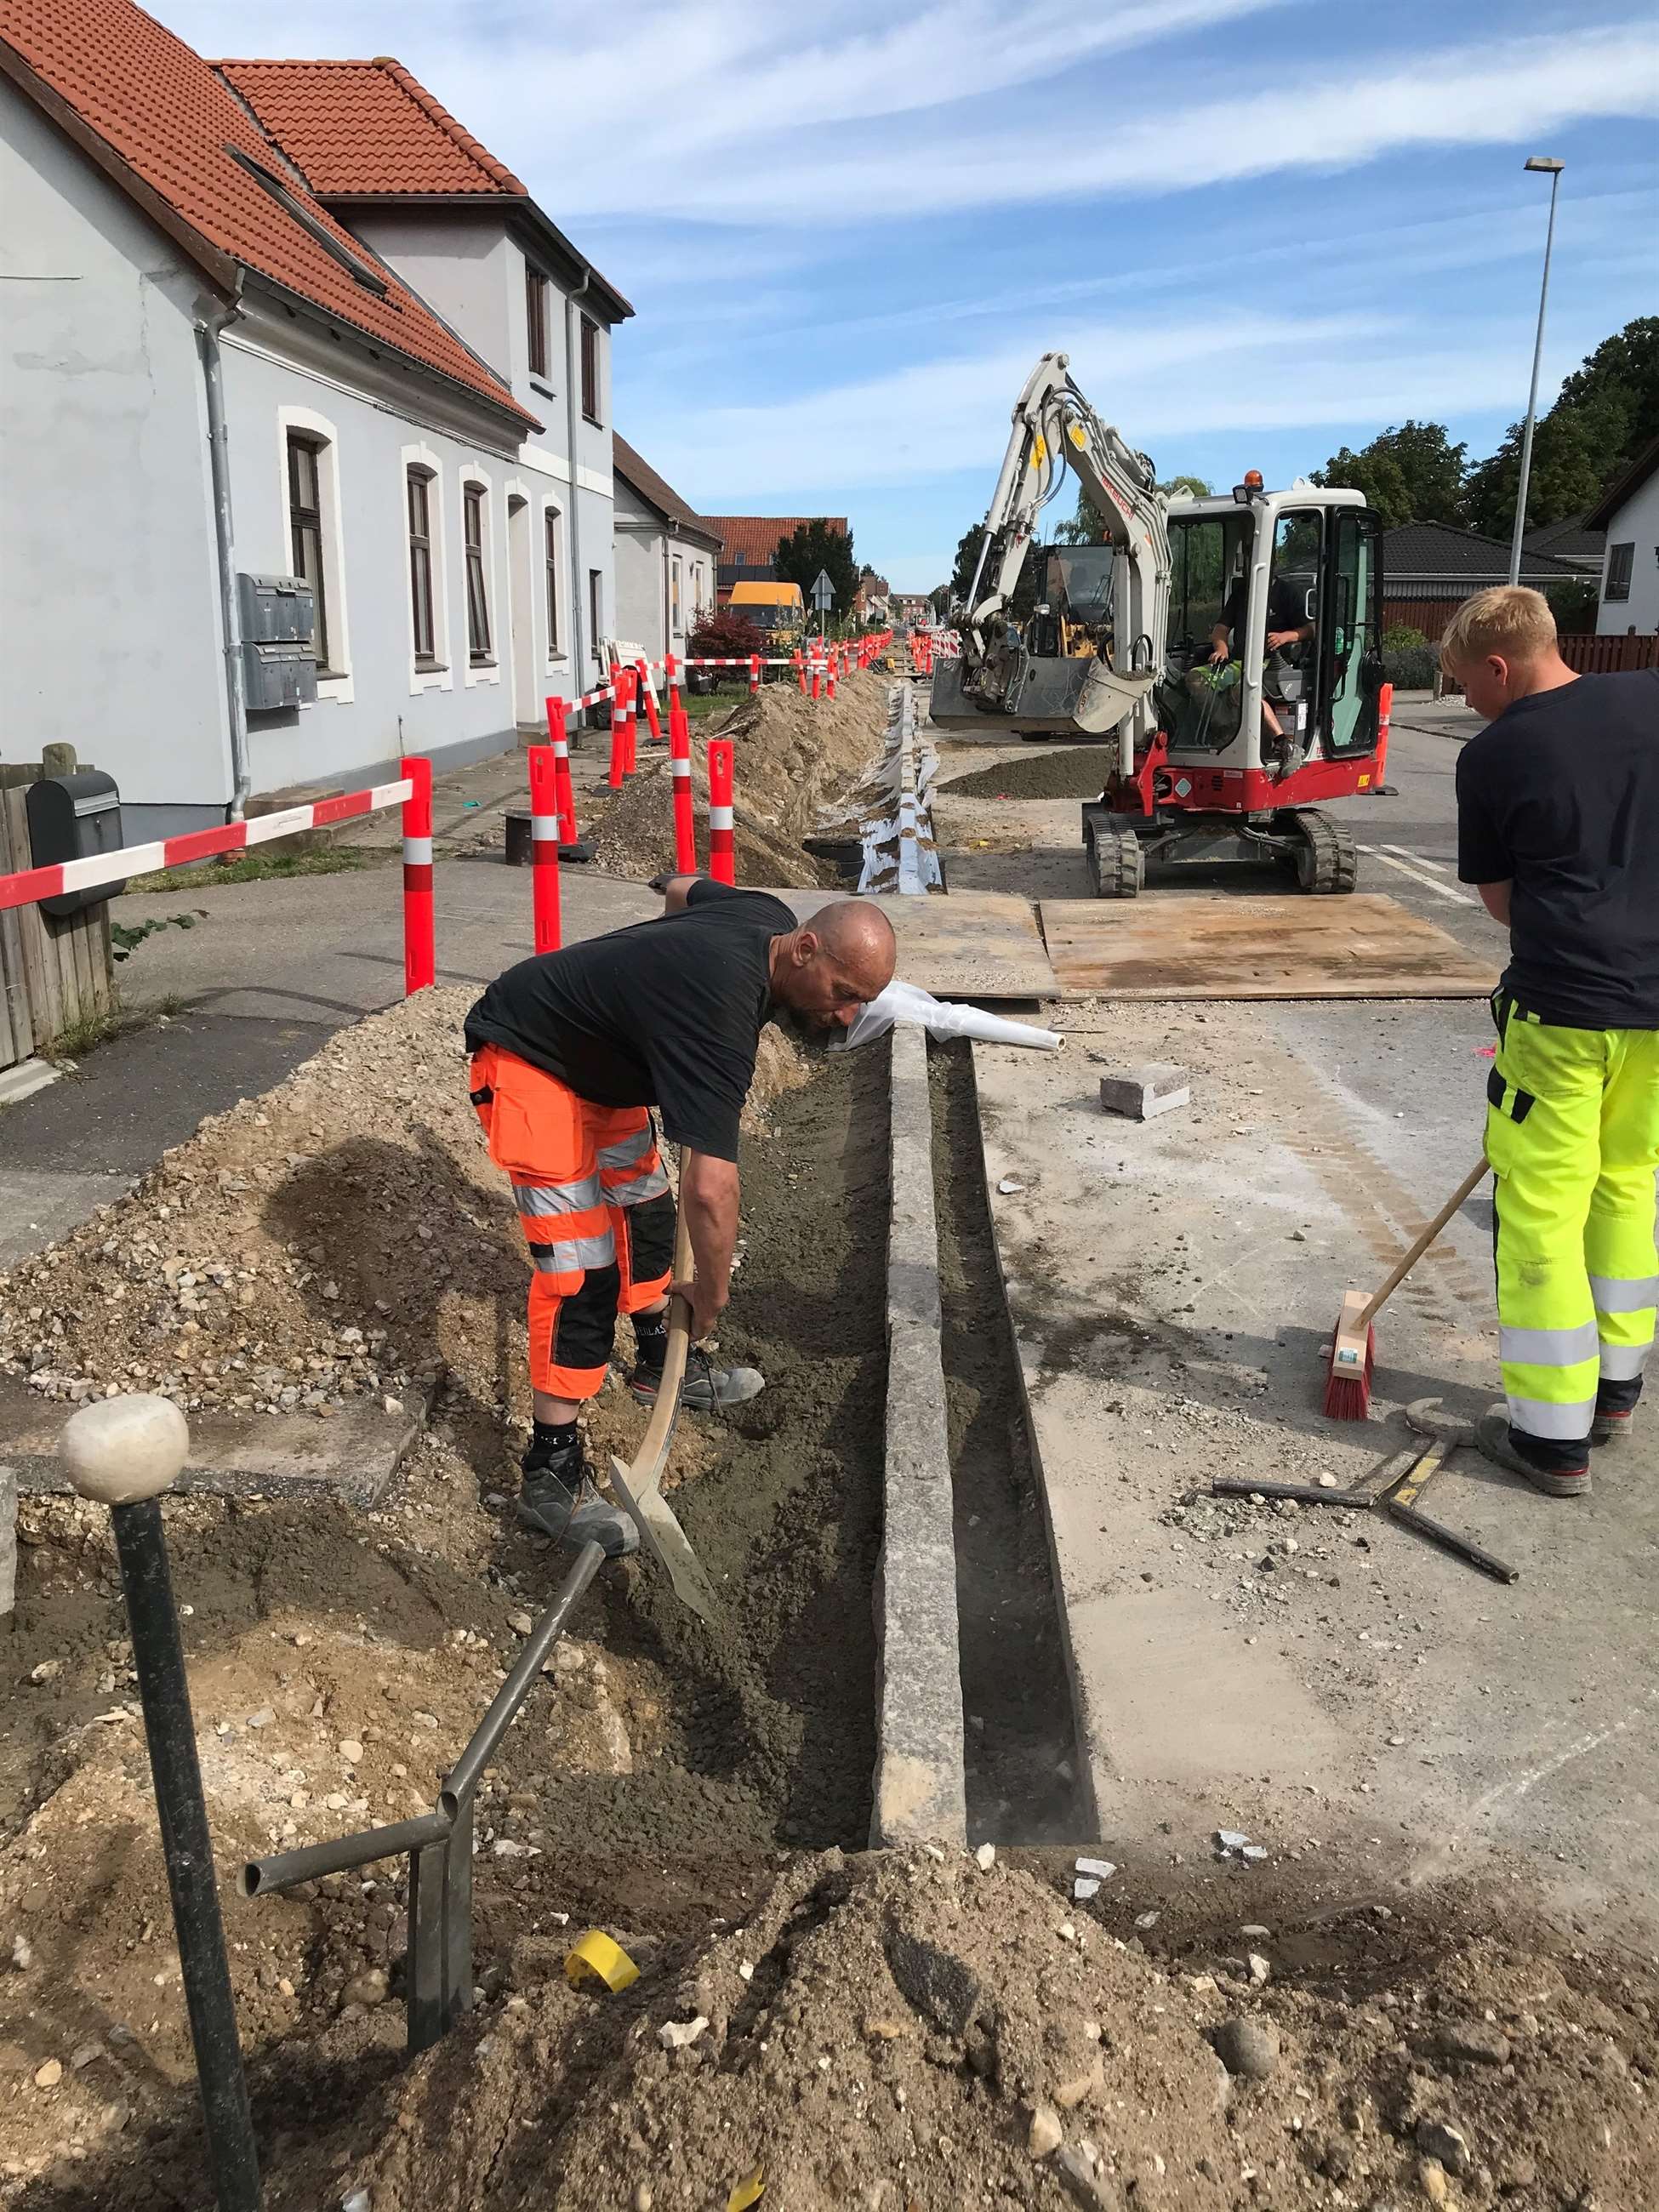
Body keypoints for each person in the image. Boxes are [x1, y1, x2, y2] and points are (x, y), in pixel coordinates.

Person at [464, 881, 897, 1554]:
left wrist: (650, 987)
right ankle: (549, 1471)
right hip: (530, 1058)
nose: (844, 1017)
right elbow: (712, 1189)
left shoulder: (767, 918)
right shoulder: (719, 1015)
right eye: (843, 993)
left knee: (647, 1217)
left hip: (604, 1063)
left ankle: (655, 1365)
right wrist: (713, 1297)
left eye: (860, 1004)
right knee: (582, 1272)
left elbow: (681, 889)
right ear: (805, 950)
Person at [1448, 585, 1659, 1498]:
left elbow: (1500, 904)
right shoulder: (1651, 695)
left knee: (1541, 1212)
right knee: (1629, 1187)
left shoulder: (1496, 754)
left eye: (1463, 684)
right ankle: (1617, 1386)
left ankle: (1550, 1436)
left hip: (1566, 1014)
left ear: (1501, 667)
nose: (1462, 702)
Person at [1209, 569, 1314, 739]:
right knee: (1196, 680)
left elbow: (1312, 629)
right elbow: (1220, 629)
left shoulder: (1288, 592)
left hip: (1272, 663)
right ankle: (1227, 731)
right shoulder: (1241, 593)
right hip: (1240, 662)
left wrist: (1286, 636)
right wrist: (1221, 648)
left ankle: (1282, 742)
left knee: (1244, 690)